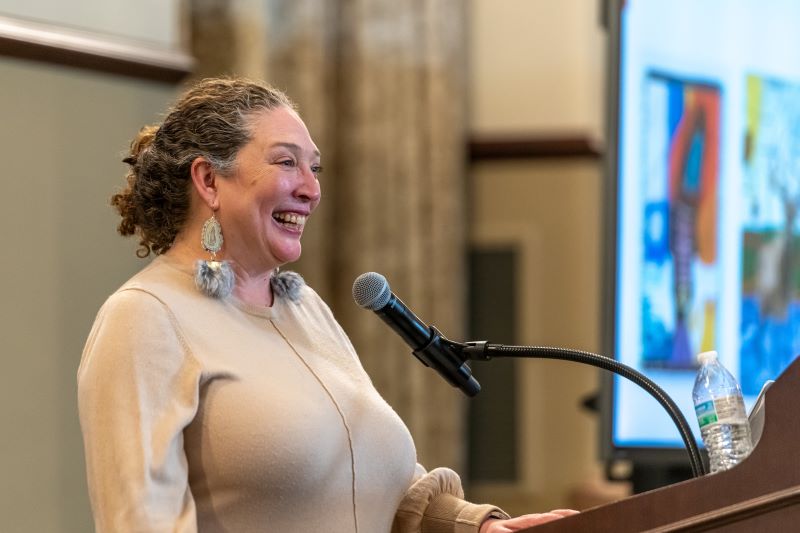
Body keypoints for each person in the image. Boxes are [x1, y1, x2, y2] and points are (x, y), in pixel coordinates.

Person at [77, 77, 577, 532]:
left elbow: (376, 487)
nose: (312, 189)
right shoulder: (146, 317)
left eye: (314, 168)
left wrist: (477, 526)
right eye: (286, 162)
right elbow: (139, 523)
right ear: (208, 180)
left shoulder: (304, 308)